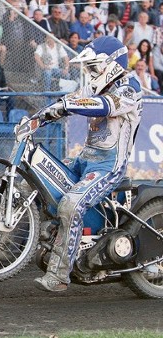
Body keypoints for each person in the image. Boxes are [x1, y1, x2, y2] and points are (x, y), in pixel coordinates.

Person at [33, 36, 143, 292]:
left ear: (111, 64)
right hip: (85, 160)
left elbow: (103, 106)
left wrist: (68, 104)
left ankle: (59, 276)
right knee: (44, 181)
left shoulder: (130, 87)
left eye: (94, 66)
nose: (90, 72)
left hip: (109, 166)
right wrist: (41, 116)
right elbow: (72, 100)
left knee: (71, 204)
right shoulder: (94, 87)